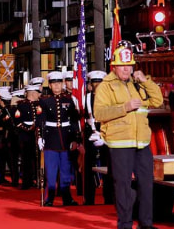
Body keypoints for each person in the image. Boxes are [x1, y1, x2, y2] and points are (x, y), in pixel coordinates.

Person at [95, 46, 164, 229]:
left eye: (130, 65)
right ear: (114, 67)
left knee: (146, 184)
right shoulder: (105, 86)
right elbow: (99, 113)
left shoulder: (137, 83)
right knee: (123, 186)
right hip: (120, 143)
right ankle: (125, 224)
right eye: (122, 66)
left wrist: (146, 81)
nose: (127, 69)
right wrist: (124, 107)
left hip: (142, 142)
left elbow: (157, 101)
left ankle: (146, 224)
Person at [38, 71, 81, 206]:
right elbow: (41, 121)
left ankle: (67, 197)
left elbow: (73, 121)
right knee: (51, 171)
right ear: (50, 86)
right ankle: (49, 197)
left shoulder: (68, 100)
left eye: (58, 83)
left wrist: (75, 139)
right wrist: (40, 137)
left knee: (65, 170)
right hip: (51, 139)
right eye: (53, 83)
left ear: (62, 84)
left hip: (66, 138)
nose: (56, 86)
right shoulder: (44, 101)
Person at [83, 69, 114, 205]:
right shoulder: (85, 98)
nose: (97, 86)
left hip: (106, 133)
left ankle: (109, 196)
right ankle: (89, 198)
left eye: (99, 83)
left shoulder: (110, 97)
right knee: (89, 166)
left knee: (108, 166)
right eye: (94, 83)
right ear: (91, 84)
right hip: (90, 133)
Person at [14, 84, 42, 191]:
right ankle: (27, 181)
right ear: (33, 93)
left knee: (38, 159)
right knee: (26, 160)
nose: (39, 95)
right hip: (26, 136)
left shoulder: (40, 104)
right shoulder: (21, 105)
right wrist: (29, 128)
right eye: (38, 93)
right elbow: (17, 121)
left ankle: (38, 179)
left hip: (37, 136)